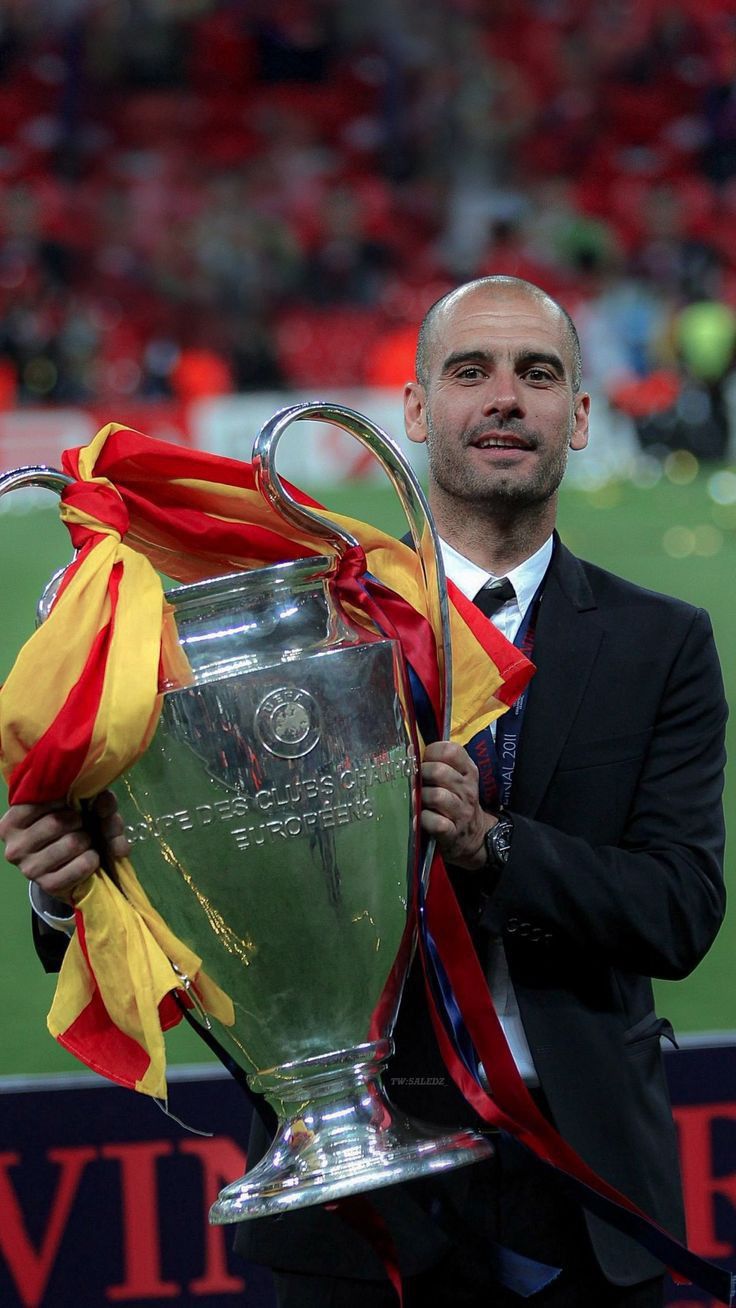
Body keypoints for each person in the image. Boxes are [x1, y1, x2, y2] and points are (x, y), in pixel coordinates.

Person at [0, 276, 728, 1308]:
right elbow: (191, 871)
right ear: (418, 411)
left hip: (586, 1198)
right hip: (349, 1225)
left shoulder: (663, 645)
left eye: (538, 373)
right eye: (469, 371)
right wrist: (66, 884)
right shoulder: (304, 629)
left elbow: (678, 913)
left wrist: (493, 845)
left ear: (577, 415)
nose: (504, 397)